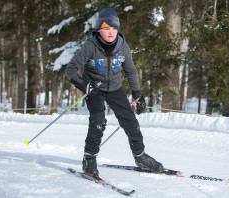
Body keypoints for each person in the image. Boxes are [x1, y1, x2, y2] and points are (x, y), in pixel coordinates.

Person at [65, 8, 164, 178]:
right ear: (98, 30)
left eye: (113, 28)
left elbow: (131, 71)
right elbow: (71, 69)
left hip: (115, 88)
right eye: (105, 28)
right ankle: (89, 159)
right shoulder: (90, 46)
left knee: (131, 123)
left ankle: (140, 156)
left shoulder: (122, 46)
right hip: (94, 88)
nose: (110, 32)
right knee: (98, 121)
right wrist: (83, 85)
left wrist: (137, 94)